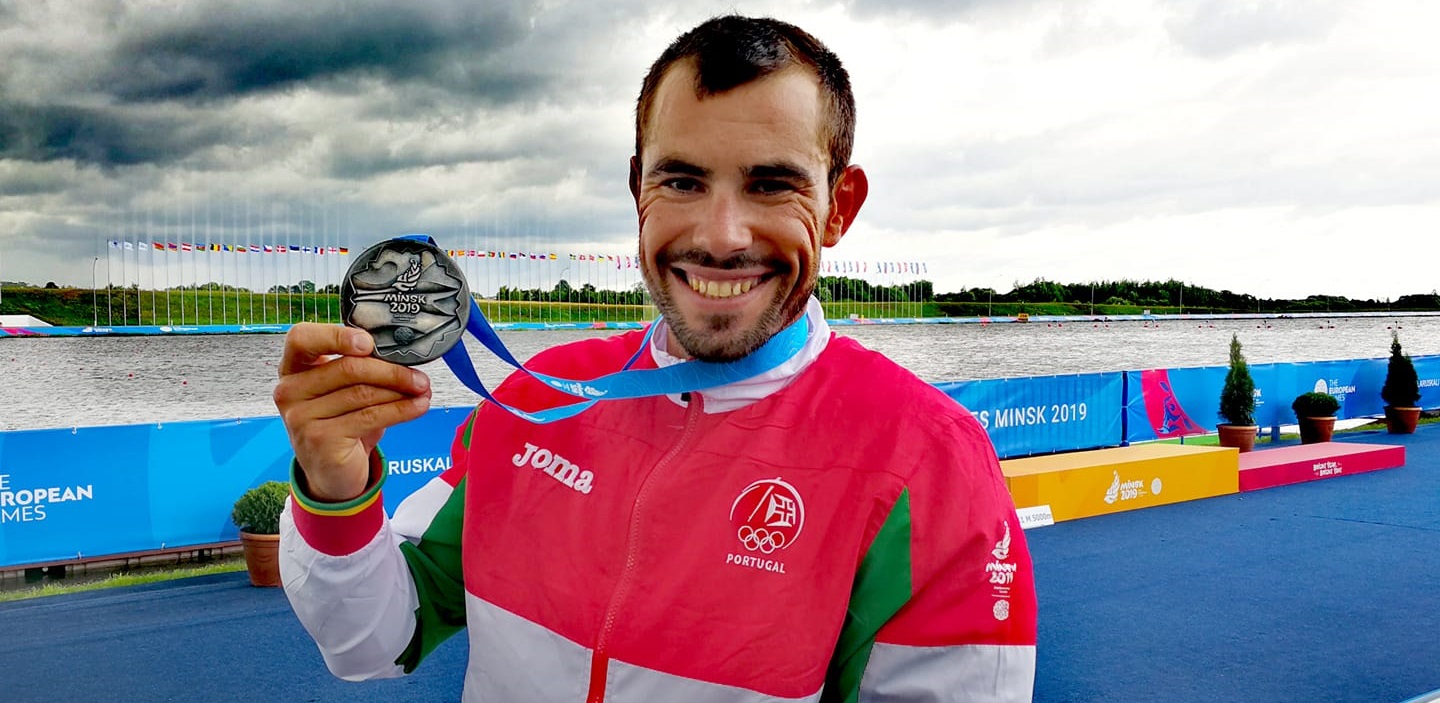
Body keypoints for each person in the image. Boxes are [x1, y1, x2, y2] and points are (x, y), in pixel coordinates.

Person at [273, 14, 1036, 702]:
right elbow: (374, 640)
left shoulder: (930, 464)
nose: (722, 234)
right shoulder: (537, 401)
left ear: (839, 206)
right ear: (637, 187)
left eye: (772, 185)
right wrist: (334, 487)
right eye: (682, 179)